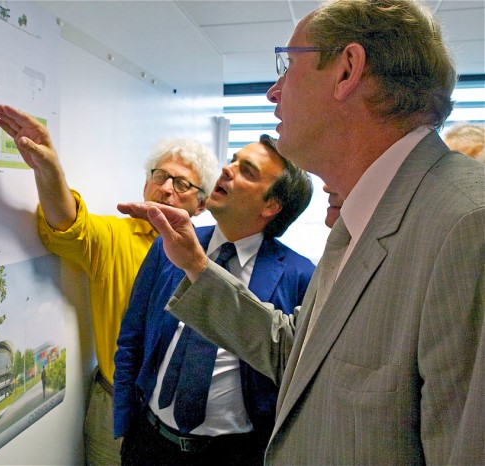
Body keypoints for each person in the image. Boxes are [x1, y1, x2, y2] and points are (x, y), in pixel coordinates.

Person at [117, 0, 485, 463]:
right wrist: (195, 264)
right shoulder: (361, 219)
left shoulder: (467, 226)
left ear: (347, 70)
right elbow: (297, 354)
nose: (273, 92)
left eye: (287, 66)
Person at [0, 104, 219, 465]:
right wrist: (48, 169)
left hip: (182, 423)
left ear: (201, 204)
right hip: (115, 404)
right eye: (160, 176)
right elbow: (67, 223)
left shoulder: (211, 259)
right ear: (146, 183)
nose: (166, 189)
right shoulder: (116, 236)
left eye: (182, 184)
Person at [113, 136, 315, 465]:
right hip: (148, 442)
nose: (227, 169)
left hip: (234, 454)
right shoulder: (171, 245)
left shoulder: (300, 276)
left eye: (247, 171)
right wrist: (126, 425)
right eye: (233, 160)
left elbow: (294, 375)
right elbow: (132, 337)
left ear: (271, 206)